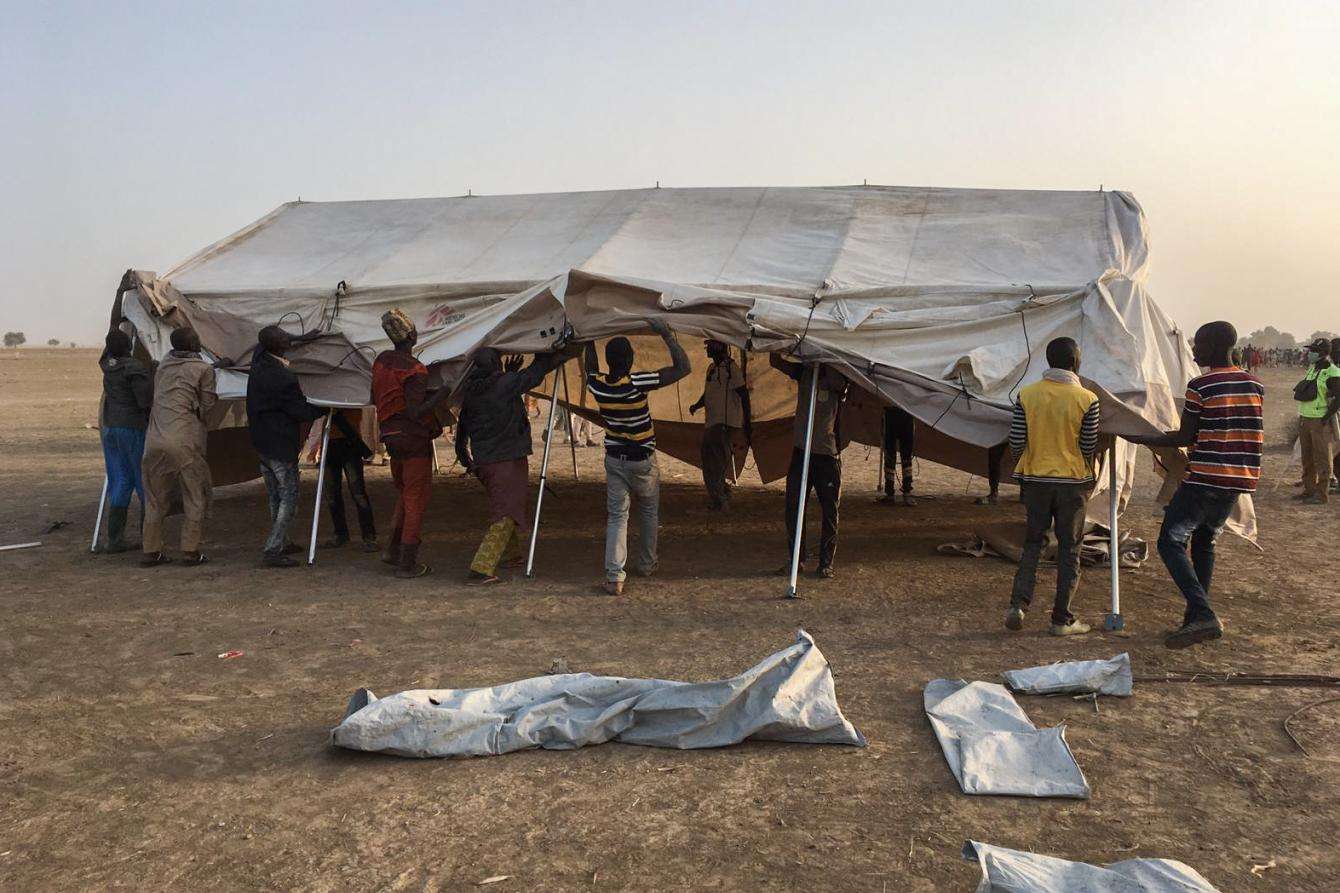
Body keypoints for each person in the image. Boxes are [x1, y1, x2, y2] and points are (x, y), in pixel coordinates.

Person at [1126, 321, 1263, 648]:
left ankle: (1202, 613)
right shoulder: (1254, 384)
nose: (1194, 349)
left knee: (1170, 541)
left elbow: (1186, 436)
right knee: (1204, 541)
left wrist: (1143, 437)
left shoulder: (1201, 385)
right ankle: (1193, 619)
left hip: (1205, 477)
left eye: (1198, 344)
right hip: (1238, 479)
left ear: (1215, 345)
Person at [584, 319, 691, 595]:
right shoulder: (637, 382)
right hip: (642, 460)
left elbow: (590, 368)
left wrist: (587, 338)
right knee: (648, 511)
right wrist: (666, 334)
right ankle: (646, 564)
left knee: (617, 517)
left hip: (614, 459)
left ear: (609, 360)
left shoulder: (598, 386)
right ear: (631, 359)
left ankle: (614, 576)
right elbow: (683, 368)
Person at [456, 345, 576, 583]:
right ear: (497, 366)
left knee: (503, 504)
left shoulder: (470, 391)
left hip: (485, 460)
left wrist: (464, 456)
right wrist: (549, 353)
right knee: (506, 512)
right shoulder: (503, 384)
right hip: (506, 459)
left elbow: (463, 429)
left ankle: (511, 554)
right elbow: (534, 374)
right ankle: (481, 568)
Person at [1004, 337, 1100, 636]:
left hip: (1036, 481)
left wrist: (1027, 465)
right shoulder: (1088, 399)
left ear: (1048, 362)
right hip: (1073, 483)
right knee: (1070, 549)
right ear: (1076, 362)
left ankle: (1018, 604)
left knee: (1033, 543)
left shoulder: (1027, 395)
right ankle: (1061, 619)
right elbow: (1088, 445)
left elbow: (1017, 441)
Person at [372, 309, 452, 578]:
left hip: (390, 437)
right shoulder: (415, 370)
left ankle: (391, 550)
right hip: (413, 439)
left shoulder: (381, 361)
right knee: (416, 498)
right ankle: (407, 563)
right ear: (412, 335)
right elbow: (416, 412)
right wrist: (441, 394)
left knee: (405, 494)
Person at [246, 325, 327, 567]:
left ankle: (282, 541)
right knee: (288, 496)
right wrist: (326, 407)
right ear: (278, 345)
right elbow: (300, 410)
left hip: (261, 440)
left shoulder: (258, 362)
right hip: (280, 442)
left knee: (274, 494)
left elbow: (269, 340)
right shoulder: (282, 377)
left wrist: (302, 338)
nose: (287, 338)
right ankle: (273, 549)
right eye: (284, 337)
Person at [140, 327, 217, 566]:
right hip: (184, 440)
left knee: (154, 498)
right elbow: (207, 405)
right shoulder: (203, 369)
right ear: (193, 345)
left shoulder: (163, 365)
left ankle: (151, 551)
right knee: (194, 495)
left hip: (153, 440)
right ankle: (190, 551)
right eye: (196, 340)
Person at [770, 353, 849, 579]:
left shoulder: (837, 374)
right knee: (794, 507)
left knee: (829, 510)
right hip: (801, 450)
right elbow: (775, 361)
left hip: (826, 454)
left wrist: (825, 362)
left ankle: (826, 562)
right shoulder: (805, 371)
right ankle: (797, 559)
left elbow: (842, 386)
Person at [98, 329, 153, 553]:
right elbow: (143, 401)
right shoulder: (133, 368)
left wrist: (121, 295)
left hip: (111, 427)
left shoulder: (106, 364)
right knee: (143, 480)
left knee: (120, 479)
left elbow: (112, 330)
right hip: (132, 427)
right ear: (130, 347)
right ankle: (148, 538)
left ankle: (115, 539)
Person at [688, 339, 752, 510]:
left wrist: (747, 422)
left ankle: (720, 499)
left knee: (713, 460)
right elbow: (709, 393)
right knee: (715, 459)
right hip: (713, 422)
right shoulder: (712, 369)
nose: (707, 349)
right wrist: (697, 405)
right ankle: (722, 493)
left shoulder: (731, 369)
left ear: (718, 348)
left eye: (709, 346)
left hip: (723, 423)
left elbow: (743, 395)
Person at [321, 408, 378, 552]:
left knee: (358, 492)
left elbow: (356, 414)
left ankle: (369, 536)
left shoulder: (351, 393)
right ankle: (340, 534)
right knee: (332, 494)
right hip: (329, 443)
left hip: (349, 441)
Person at [1293, 337, 1340, 504]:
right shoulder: (1312, 369)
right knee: (1307, 457)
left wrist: (1326, 417)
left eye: (1313, 350)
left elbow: (1338, 397)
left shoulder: (1333, 371)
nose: (1309, 353)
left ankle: (1321, 494)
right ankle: (1309, 489)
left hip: (1320, 420)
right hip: (1305, 417)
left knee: (1322, 458)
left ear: (1322, 353)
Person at [878, 405, 916, 506]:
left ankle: (904, 493)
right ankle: (892, 494)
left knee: (905, 457)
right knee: (891, 456)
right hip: (894, 413)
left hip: (905, 413)